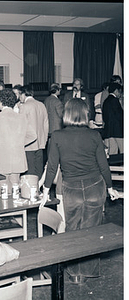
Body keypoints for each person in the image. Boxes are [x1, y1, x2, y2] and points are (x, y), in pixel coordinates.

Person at [40, 98, 119, 284]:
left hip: (71, 188)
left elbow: (52, 167)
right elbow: (103, 165)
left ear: (66, 114)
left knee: (72, 230)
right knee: (91, 231)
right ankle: (87, 273)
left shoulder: (57, 136)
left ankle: (75, 273)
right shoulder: (94, 135)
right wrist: (110, 187)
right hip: (95, 187)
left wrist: (45, 192)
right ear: (85, 114)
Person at [0, 88, 36, 194]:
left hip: (0, 161)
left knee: (2, 195)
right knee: (15, 195)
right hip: (17, 160)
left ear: (0, 102)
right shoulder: (22, 118)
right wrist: (18, 143)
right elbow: (33, 135)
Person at [19, 84, 48, 180]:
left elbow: (21, 126)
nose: (19, 98)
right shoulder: (41, 105)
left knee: (29, 171)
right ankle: (37, 190)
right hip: (40, 143)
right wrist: (44, 140)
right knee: (38, 169)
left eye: (20, 95)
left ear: (23, 94)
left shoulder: (24, 106)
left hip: (28, 144)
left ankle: (29, 192)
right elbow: (46, 124)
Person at [102, 82, 123, 155]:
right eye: (120, 91)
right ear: (116, 91)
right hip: (118, 130)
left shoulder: (106, 101)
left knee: (113, 152)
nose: (120, 94)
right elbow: (119, 116)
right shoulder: (115, 100)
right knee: (123, 150)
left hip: (109, 131)